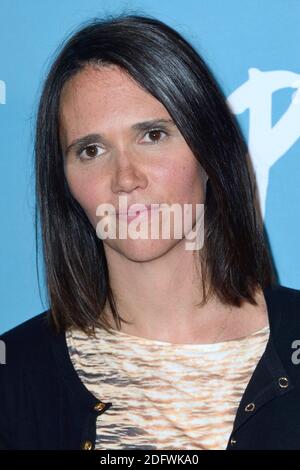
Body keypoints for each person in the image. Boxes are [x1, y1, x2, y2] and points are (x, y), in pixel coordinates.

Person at [1, 13, 300, 451]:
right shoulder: (14, 376)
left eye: (153, 135)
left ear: (209, 149)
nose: (125, 177)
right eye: (91, 149)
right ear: (64, 181)